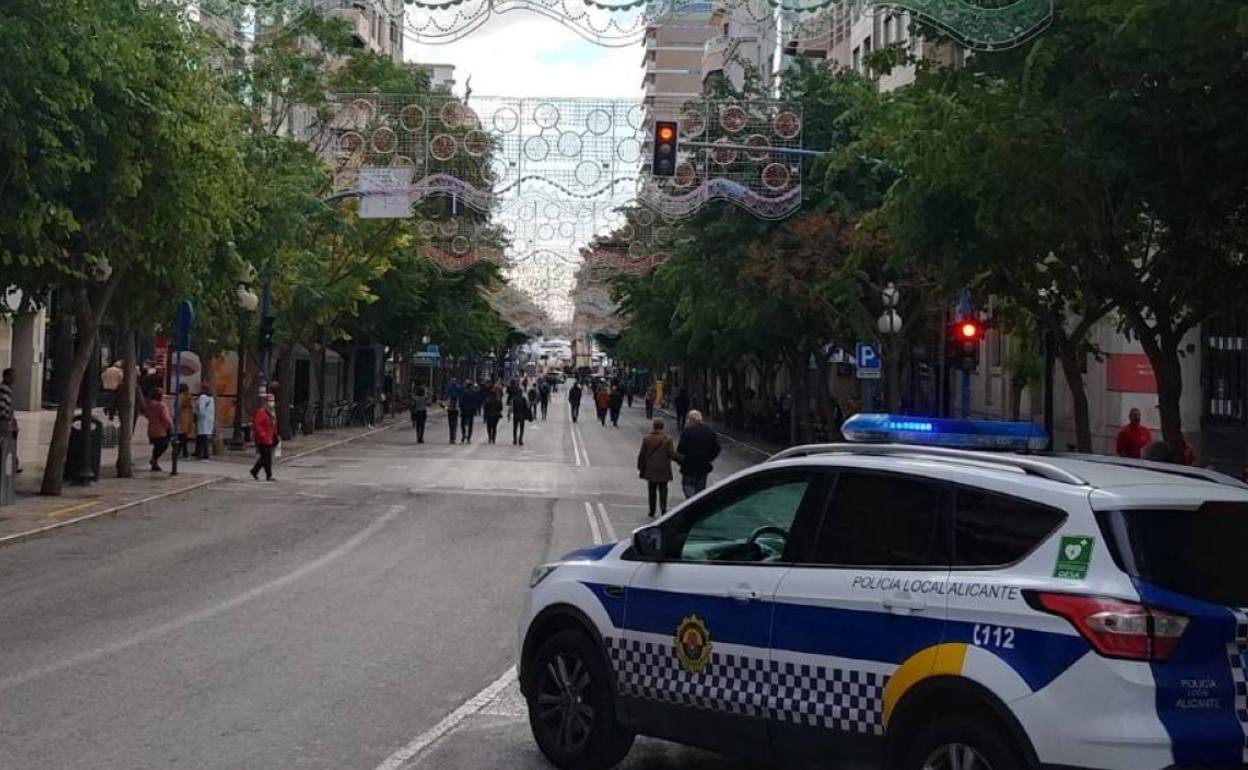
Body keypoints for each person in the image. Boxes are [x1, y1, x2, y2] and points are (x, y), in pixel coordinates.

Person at [638, 418, 681, 518]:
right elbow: (671, 454)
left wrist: (641, 466)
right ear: (662, 427)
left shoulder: (647, 438)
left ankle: (652, 510)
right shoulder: (667, 439)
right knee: (663, 489)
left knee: (651, 490)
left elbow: (642, 454)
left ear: (653, 426)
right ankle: (663, 508)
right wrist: (682, 459)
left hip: (651, 469)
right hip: (663, 468)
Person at [677, 410, 722, 499]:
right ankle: (696, 504)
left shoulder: (687, 431)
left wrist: (682, 460)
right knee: (700, 490)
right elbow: (717, 448)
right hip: (703, 465)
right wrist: (709, 458)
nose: (688, 422)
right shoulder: (709, 431)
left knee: (688, 487)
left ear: (692, 420)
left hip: (689, 465)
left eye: (689, 420)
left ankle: (690, 503)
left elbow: (680, 449)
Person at [144, 387, 173, 472]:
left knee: (157, 446)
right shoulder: (161, 405)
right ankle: (154, 459)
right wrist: (170, 426)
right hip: (161, 430)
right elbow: (165, 418)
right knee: (163, 444)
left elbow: (146, 415)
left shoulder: (148, 405)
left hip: (151, 429)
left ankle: (154, 461)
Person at [250, 393, 277, 481]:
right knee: (267, 457)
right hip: (263, 439)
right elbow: (257, 424)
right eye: (270, 401)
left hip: (269, 438)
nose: (271, 402)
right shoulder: (261, 412)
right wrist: (262, 434)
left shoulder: (270, 412)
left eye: (272, 401)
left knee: (264, 457)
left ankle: (255, 471)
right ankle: (268, 475)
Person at [0, 368, 20, 473]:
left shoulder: (6, 389)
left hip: (7, 422)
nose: (15, 379)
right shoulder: (5, 389)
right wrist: (7, 419)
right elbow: (2, 407)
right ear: (7, 377)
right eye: (13, 376)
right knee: (7, 443)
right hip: (4, 423)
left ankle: (14, 463)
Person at [195, 384, 215, 460]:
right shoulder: (211, 398)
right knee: (204, 437)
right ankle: (201, 453)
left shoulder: (202, 397)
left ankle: (204, 454)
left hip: (203, 420)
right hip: (208, 419)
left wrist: (198, 415)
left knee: (203, 437)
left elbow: (201, 409)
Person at [176, 383, 194, 459]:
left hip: (181, 417)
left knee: (181, 436)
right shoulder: (189, 397)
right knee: (183, 436)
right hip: (187, 417)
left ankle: (182, 452)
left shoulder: (180, 397)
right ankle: (183, 452)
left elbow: (178, 407)